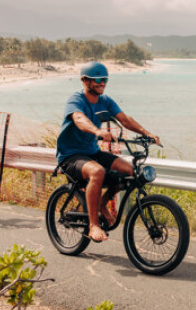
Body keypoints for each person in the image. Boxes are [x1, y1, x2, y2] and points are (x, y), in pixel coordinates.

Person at [56, 61, 159, 243]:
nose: (102, 83)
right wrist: (97, 131)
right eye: (97, 80)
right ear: (85, 81)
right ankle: (93, 225)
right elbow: (79, 119)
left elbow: (125, 119)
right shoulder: (76, 100)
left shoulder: (105, 101)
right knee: (98, 172)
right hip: (71, 155)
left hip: (92, 152)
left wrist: (147, 133)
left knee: (129, 171)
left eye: (105, 79)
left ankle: (102, 204)